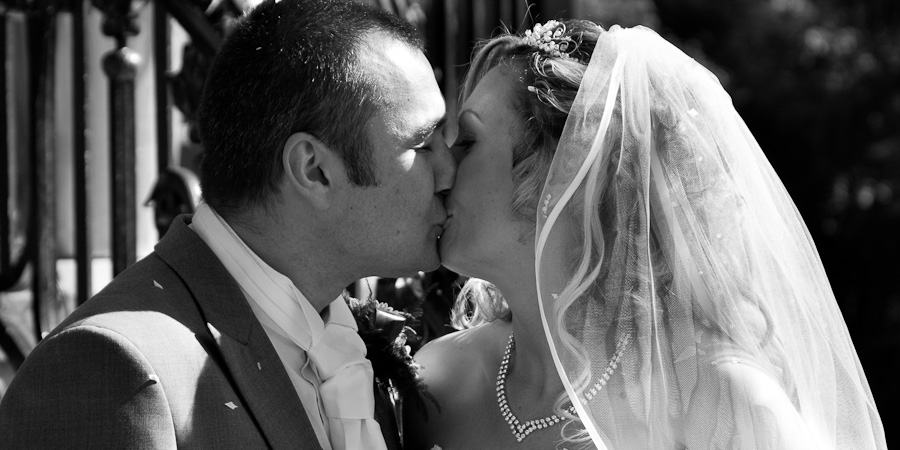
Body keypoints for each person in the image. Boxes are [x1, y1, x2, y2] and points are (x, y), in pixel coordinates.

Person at [404, 20, 886, 450]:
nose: (442, 169)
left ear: (561, 175)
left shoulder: (715, 398)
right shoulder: (440, 383)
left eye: (467, 140)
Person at [0, 0, 454, 448]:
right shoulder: (104, 371)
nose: (450, 171)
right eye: (425, 143)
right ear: (313, 170)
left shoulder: (349, 342)